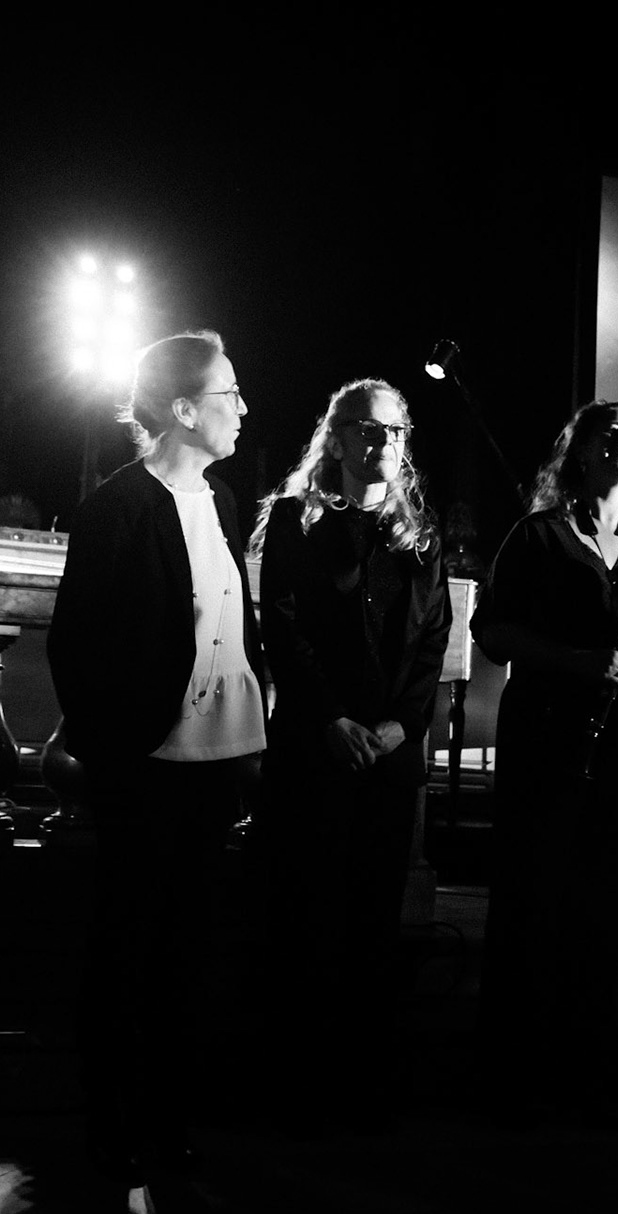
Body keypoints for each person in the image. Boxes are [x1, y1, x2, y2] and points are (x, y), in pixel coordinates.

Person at [46, 330, 267, 1206]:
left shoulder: (220, 501)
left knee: (190, 950)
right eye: (229, 393)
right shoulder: (118, 507)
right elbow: (77, 646)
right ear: (183, 409)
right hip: (146, 764)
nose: (243, 408)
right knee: (128, 948)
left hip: (214, 763)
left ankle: (171, 1121)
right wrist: (117, 755)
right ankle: (113, 1125)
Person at [250, 377, 451, 1129]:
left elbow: (432, 640)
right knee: (305, 909)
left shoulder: (417, 537)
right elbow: (284, 627)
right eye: (368, 429)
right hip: (314, 747)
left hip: (388, 755)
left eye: (395, 431)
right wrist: (330, 718)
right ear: (335, 437)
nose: (383, 443)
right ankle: (292, 1079)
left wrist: (400, 726)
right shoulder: (296, 521)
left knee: (372, 914)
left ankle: (359, 1081)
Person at [472, 400, 618, 1126]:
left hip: (617, 753)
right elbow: (493, 631)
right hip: (547, 742)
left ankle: (581, 1065)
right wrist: (580, 660)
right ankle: (512, 1072)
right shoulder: (539, 536)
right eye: (611, 432)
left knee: (601, 909)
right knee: (532, 903)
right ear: (582, 453)